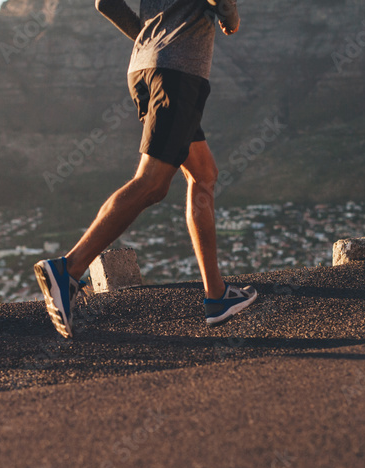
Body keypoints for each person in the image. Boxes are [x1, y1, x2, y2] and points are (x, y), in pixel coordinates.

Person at [34, 0, 257, 338]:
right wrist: (230, 17)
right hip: (178, 73)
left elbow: (105, 2)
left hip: (147, 66)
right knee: (152, 183)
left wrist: (152, 38)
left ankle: (217, 296)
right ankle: (68, 269)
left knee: (204, 175)